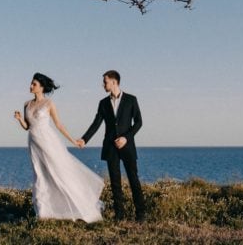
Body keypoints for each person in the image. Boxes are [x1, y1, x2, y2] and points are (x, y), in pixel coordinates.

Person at [14, 73, 104, 222]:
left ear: (41, 87)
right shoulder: (26, 104)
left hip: (48, 141)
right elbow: (27, 127)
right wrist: (19, 120)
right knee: (40, 174)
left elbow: (59, 125)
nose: (30, 86)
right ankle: (43, 213)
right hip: (34, 142)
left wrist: (73, 141)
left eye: (34, 84)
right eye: (31, 83)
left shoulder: (49, 104)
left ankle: (81, 206)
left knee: (60, 171)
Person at [76, 70, 146, 221]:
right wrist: (84, 139)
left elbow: (139, 122)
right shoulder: (103, 103)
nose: (103, 84)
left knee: (134, 179)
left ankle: (141, 215)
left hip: (127, 146)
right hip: (110, 148)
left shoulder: (131, 100)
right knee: (115, 183)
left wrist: (126, 138)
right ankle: (119, 216)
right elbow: (96, 123)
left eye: (105, 82)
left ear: (114, 82)